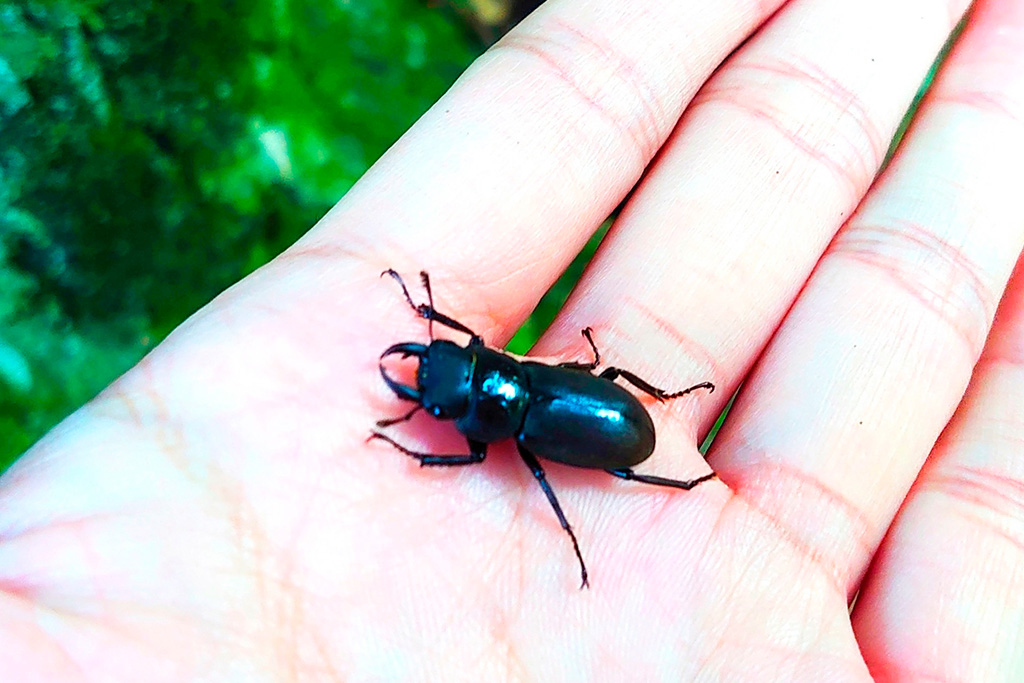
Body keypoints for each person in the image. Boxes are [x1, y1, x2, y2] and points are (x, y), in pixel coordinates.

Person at [3, 0, 1023, 679]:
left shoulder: (509, 423)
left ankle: (661, 430)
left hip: (612, 422)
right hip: (592, 413)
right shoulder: (513, 401)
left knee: (616, 424)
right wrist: (421, 387)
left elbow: (479, 416)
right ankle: (655, 427)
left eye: (443, 394)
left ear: (481, 388)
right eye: (440, 392)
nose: (437, 387)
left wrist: (425, 420)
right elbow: (487, 394)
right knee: (602, 401)